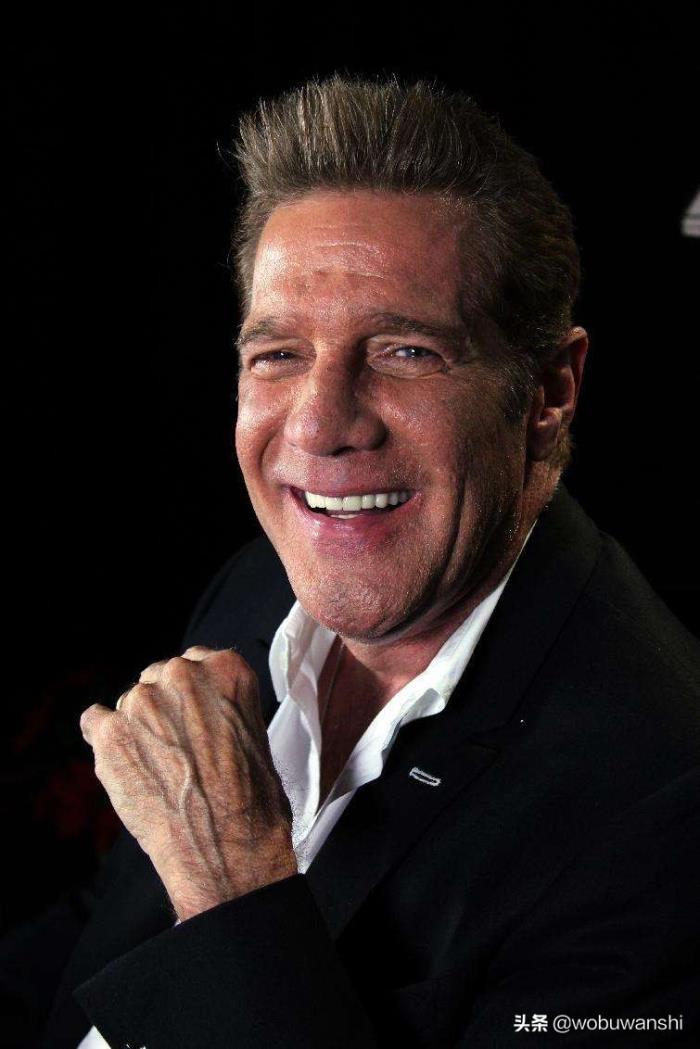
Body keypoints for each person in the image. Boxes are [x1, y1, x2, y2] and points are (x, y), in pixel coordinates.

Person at [2, 74, 699, 1049]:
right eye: (278, 354)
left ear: (547, 391)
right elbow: (100, 938)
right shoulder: (263, 581)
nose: (320, 425)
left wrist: (230, 882)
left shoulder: (663, 806)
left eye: (405, 351)